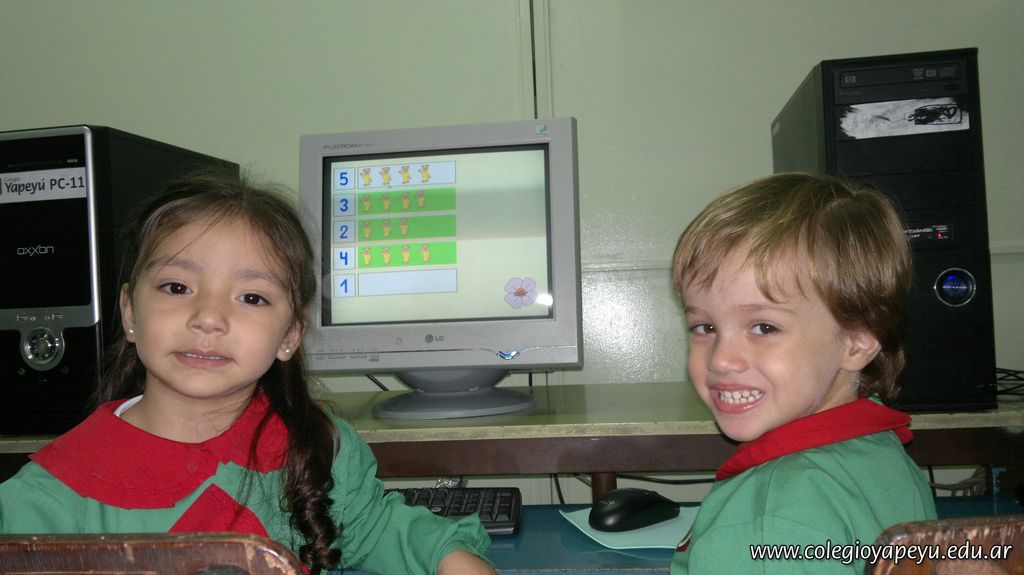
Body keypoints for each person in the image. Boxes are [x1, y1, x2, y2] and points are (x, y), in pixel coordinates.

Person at [0, 169, 494, 575]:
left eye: (252, 297)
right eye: (177, 287)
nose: (209, 318)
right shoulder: (45, 499)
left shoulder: (317, 449)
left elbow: (379, 529)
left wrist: (452, 559)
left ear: (289, 336)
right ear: (130, 312)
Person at [669, 173, 936, 574]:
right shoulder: (881, 452)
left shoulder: (765, 522)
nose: (721, 360)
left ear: (857, 342)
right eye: (705, 327)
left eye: (764, 327)